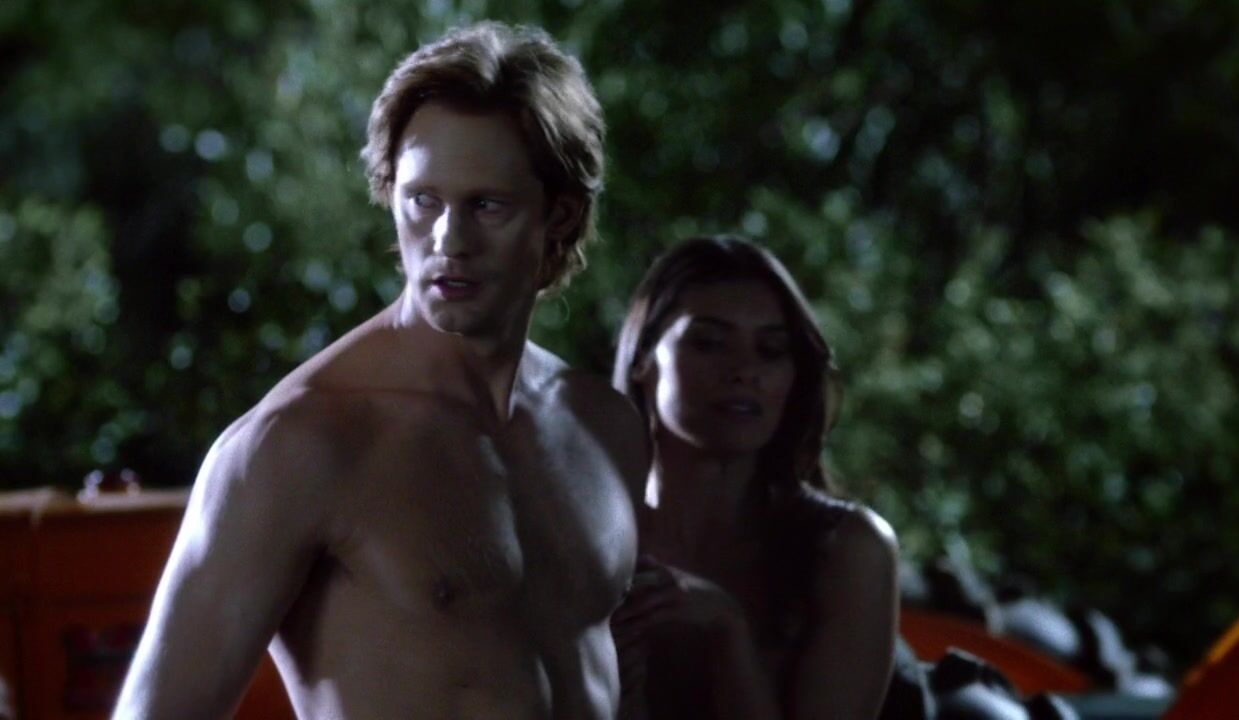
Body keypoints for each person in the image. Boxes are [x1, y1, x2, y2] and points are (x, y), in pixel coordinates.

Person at [114, 22, 646, 720]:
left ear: (560, 215)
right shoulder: (299, 443)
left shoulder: (602, 427)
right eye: (424, 200)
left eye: (487, 205)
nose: (449, 240)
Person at [610, 236, 899, 719]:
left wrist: (728, 634)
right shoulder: (589, 530)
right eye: (709, 342)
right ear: (643, 358)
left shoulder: (847, 548)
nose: (745, 370)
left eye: (771, 350)